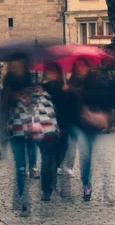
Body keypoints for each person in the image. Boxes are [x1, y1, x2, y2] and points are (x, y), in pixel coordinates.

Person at [70, 57, 115, 204]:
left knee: (101, 156)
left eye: (82, 66)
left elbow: (106, 99)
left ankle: (106, 189)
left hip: (96, 124)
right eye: (78, 66)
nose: (80, 69)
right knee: (85, 155)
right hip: (80, 125)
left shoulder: (96, 81)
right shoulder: (72, 82)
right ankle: (86, 185)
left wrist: (104, 116)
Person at [1, 54, 41, 213]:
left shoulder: (31, 79)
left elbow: (37, 102)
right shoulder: (8, 80)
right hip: (15, 127)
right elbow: (3, 104)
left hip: (30, 125)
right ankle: (22, 198)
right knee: (20, 167)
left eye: (20, 63)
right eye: (15, 63)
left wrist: (33, 94)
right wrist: (12, 96)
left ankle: (33, 167)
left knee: (31, 152)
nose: (17, 66)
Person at [40, 62, 72, 199]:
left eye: (54, 71)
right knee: (47, 157)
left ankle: (50, 184)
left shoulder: (63, 89)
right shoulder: (42, 89)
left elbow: (69, 108)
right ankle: (46, 190)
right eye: (50, 71)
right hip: (47, 128)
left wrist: (68, 92)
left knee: (56, 156)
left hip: (61, 126)